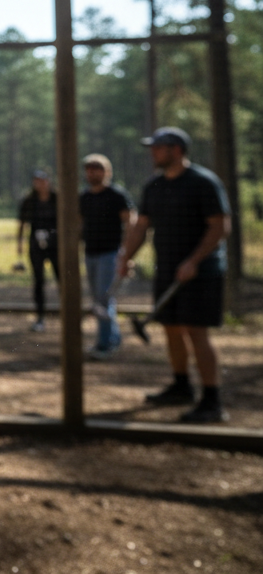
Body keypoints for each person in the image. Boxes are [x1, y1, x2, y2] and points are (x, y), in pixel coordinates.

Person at [116, 127, 232, 424]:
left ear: (177, 150)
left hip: (201, 272)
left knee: (196, 331)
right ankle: (181, 386)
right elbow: (141, 226)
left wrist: (194, 261)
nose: (153, 153)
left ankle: (212, 399)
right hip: (167, 269)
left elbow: (219, 226)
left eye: (158, 147)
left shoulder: (203, 183)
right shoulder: (154, 186)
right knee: (171, 328)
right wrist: (126, 256)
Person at [79, 153, 136, 359]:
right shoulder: (84, 197)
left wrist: (126, 251)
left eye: (97, 168)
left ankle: (104, 344)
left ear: (107, 171)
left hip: (110, 254)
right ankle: (113, 338)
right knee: (99, 298)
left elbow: (131, 223)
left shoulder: (116, 195)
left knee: (103, 299)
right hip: (90, 253)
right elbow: (79, 224)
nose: (92, 172)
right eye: (89, 168)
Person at [17, 169, 58, 332]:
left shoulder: (57, 198)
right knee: (39, 281)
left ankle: (67, 314)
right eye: (36, 181)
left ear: (48, 181)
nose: (39, 184)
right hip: (35, 246)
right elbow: (22, 223)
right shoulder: (29, 200)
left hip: (56, 246)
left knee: (61, 278)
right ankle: (40, 317)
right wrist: (19, 243)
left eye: (42, 180)